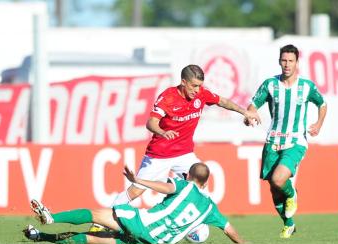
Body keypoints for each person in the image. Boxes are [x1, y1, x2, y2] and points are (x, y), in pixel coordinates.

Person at [111, 64, 261, 207]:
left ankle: (192, 227)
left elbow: (222, 101)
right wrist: (163, 132)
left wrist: (245, 112)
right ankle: (101, 221)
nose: (197, 90)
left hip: (184, 154)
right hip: (159, 154)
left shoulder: (201, 94)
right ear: (183, 82)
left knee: (200, 186)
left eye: (199, 86)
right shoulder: (168, 97)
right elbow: (151, 123)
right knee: (136, 190)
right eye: (194, 85)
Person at [23, 163, 245, 244]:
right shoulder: (209, 207)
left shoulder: (183, 186)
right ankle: (40, 237)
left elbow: (164, 187)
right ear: (206, 182)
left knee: (94, 215)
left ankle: (52, 218)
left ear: (188, 176)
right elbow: (230, 231)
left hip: (141, 224)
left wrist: (137, 180)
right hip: (155, 243)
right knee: (92, 240)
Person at [244, 44, 327, 238]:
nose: (287, 64)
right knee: (274, 188)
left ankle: (292, 194)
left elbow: (322, 104)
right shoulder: (270, 84)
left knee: (279, 179)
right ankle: (288, 223)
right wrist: (249, 115)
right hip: (273, 142)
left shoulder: (307, 86)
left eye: (291, 61)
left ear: (297, 62)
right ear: (279, 61)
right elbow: (253, 105)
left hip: (296, 141)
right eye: (284, 60)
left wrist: (318, 123)